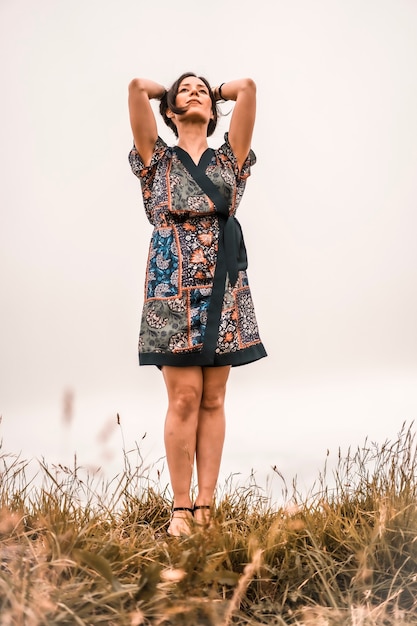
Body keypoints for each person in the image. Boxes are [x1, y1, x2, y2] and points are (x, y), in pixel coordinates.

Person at [128, 72, 267, 537]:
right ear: (167, 110)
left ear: (213, 111)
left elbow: (246, 87)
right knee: (183, 397)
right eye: (184, 90)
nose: (195, 93)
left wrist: (217, 93)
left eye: (202, 91)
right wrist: (166, 92)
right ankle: (181, 510)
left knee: (214, 397)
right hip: (172, 283)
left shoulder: (230, 157)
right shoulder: (157, 160)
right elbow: (134, 89)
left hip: (224, 280)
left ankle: (207, 508)